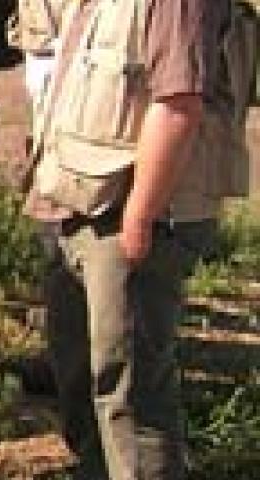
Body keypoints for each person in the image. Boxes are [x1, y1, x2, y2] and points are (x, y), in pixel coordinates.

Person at [24, 0, 232, 478]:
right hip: (84, 206)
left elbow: (178, 105)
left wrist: (139, 218)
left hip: (130, 219)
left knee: (131, 395)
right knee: (79, 369)